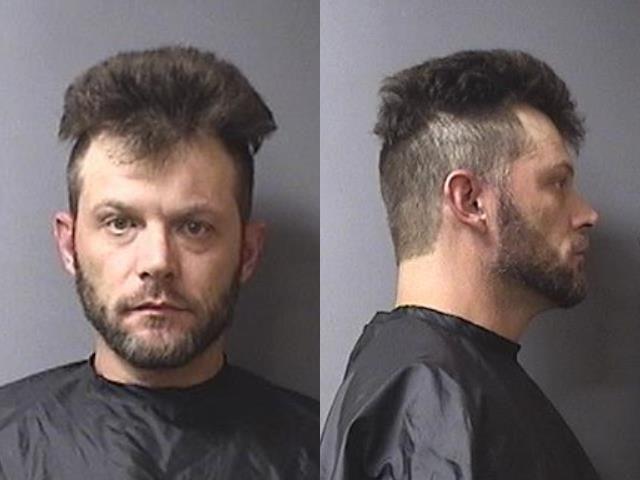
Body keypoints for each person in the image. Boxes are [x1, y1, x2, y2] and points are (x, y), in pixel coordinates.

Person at [0, 46, 318, 479]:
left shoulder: (321, 454)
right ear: (69, 244)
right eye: (120, 223)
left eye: (194, 227)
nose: (157, 262)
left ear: (248, 251)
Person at [321, 50, 600, 479]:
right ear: (470, 201)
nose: (587, 215)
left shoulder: (438, 380)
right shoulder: (431, 398)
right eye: (557, 183)